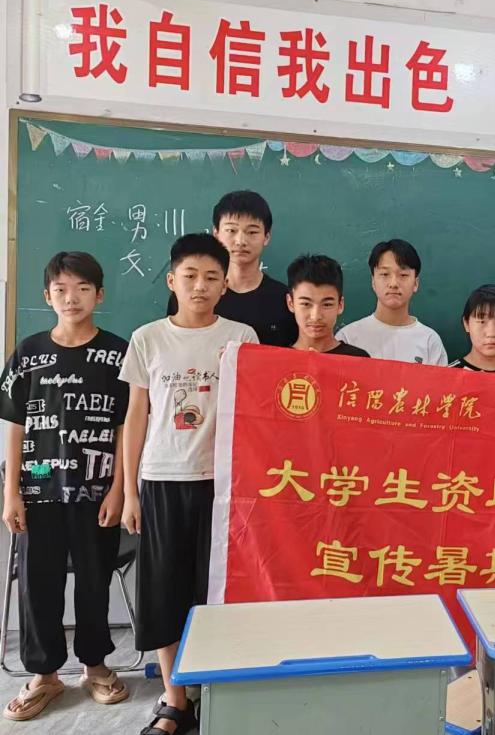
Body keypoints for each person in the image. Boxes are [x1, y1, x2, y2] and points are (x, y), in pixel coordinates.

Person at [121, 234, 258, 735]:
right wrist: (130, 491)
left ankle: (215, 693)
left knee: (216, 592)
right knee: (163, 590)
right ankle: (175, 700)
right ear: (171, 280)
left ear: (225, 286)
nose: (200, 286)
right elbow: (136, 416)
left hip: (222, 484)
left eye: (211, 277)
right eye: (190, 276)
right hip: (161, 479)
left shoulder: (241, 336)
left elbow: (255, 413)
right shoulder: (147, 338)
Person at [0, 252, 130, 721]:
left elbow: (126, 427)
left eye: (82, 288)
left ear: (100, 294)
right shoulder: (28, 353)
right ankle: (44, 675)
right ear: (47, 296)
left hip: (96, 491)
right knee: (39, 584)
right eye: (61, 290)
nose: (71, 298)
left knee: (94, 580)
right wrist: (11, 491)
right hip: (38, 491)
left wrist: (118, 488)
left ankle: (95, 666)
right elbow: (15, 424)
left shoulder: (118, 354)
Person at [166, 190, 296, 347]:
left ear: (266, 237)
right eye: (231, 230)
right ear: (216, 233)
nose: (240, 241)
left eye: (252, 232)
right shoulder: (191, 295)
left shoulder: (283, 299)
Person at [336, 239, 447, 365]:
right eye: (384, 274)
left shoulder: (429, 341)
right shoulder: (348, 338)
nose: (393, 283)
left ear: (415, 283)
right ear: (373, 282)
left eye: (403, 275)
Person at [286, 254, 369, 357]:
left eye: (327, 304)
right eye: (306, 304)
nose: (316, 316)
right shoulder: (279, 360)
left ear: (340, 305)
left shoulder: (358, 359)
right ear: (291, 303)